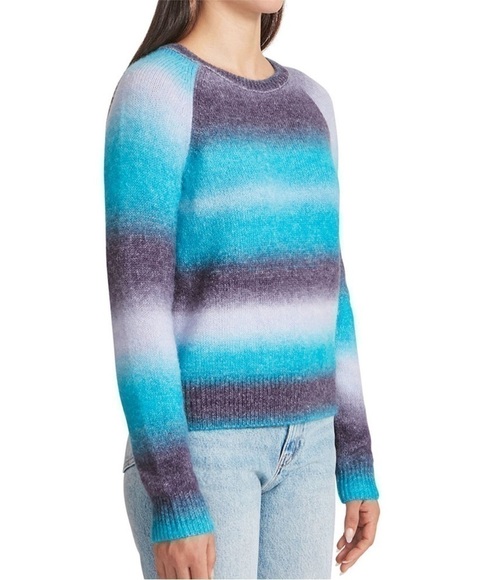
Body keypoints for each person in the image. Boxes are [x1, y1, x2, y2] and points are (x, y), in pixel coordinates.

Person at [103, 1, 381, 578]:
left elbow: (330, 293)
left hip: (309, 450)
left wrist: (355, 456)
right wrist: (175, 495)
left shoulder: (313, 103)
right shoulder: (156, 92)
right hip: (203, 453)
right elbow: (138, 314)